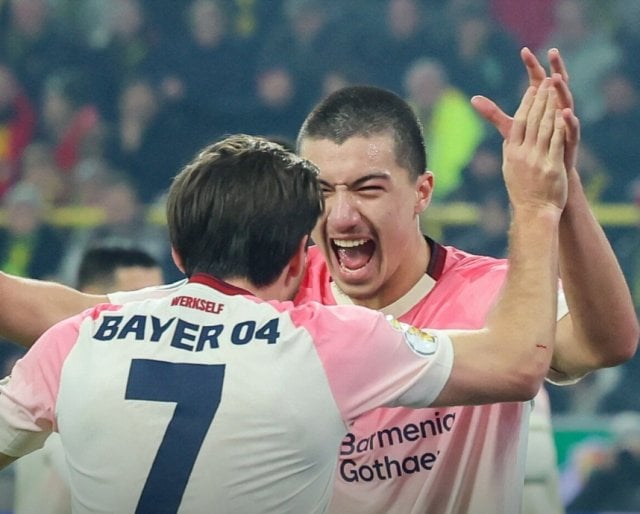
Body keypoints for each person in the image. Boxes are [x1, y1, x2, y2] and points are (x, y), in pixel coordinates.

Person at [0, 48, 637, 513]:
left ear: (422, 192)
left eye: (367, 189)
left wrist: (561, 191)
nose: (341, 216)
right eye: (322, 192)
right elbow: (81, 316)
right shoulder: (271, 297)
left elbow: (608, 342)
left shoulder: (500, 297)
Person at [12, 244, 165, 514]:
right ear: (92, 298)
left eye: (160, 302)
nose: (153, 314)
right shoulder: (58, 391)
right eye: (137, 299)